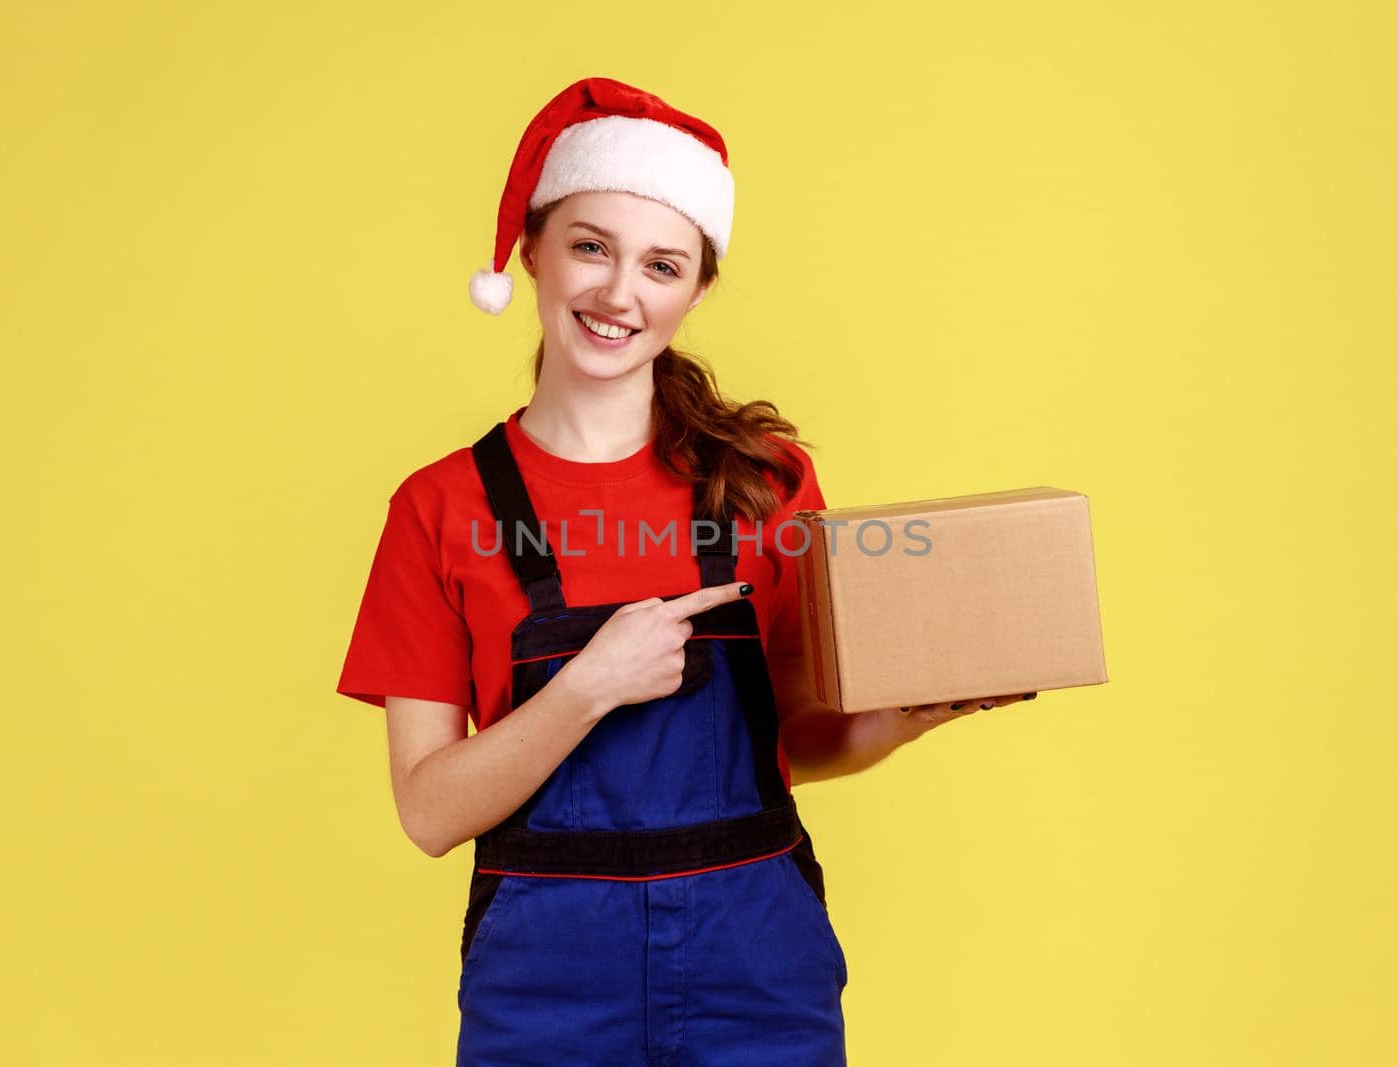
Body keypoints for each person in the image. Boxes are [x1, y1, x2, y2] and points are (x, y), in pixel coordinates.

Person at [336, 76, 1031, 1067]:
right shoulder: (441, 507)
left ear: (696, 288)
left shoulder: (762, 482)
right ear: (531, 250)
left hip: (757, 976)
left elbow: (787, 742)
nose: (620, 294)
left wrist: (896, 718)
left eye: (661, 265)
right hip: (545, 998)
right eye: (590, 246)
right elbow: (427, 809)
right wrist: (585, 688)